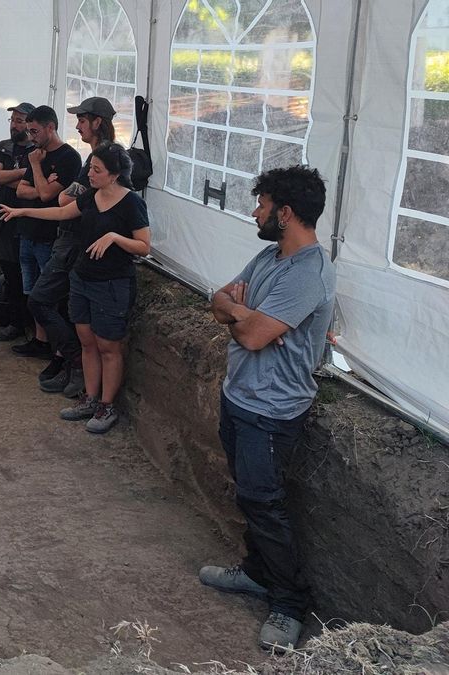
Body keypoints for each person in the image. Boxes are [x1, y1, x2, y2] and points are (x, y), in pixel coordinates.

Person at [200, 165, 335, 651]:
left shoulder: (307, 273)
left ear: (286, 212)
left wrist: (241, 316)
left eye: (261, 205)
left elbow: (254, 336)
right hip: (239, 396)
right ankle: (257, 572)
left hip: (272, 410)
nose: (255, 212)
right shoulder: (267, 256)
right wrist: (240, 311)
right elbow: (217, 299)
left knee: (265, 502)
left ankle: (290, 604)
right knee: (250, 495)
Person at [0, 141, 149, 433]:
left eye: (96, 170)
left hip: (112, 284)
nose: (89, 174)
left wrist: (114, 238)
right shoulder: (91, 196)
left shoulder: (132, 203)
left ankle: (107, 405)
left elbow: (144, 246)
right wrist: (22, 212)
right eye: (91, 167)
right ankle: (90, 399)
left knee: (108, 347)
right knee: (87, 342)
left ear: (114, 175)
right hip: (82, 278)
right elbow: (61, 213)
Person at [29, 96, 117, 396]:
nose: (78, 126)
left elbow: (63, 199)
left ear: (97, 122)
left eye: (82, 120)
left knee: (40, 300)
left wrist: (61, 193)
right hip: (72, 240)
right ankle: (71, 364)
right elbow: (60, 197)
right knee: (64, 307)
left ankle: (75, 362)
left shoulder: (103, 158)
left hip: (76, 242)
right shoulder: (94, 159)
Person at [9, 105, 81, 359]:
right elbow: (22, 190)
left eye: (35, 131)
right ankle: (40, 340)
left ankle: (58, 347)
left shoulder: (68, 157)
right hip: (27, 231)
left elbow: (49, 195)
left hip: (49, 235)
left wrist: (37, 170)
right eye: (29, 131)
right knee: (32, 290)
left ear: (50, 127)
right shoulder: (36, 155)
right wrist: (41, 187)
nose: (31, 136)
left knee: (48, 293)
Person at [0, 102, 37, 341]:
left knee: (29, 275)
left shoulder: (38, 150)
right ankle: (16, 323)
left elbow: (36, 186)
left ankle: (31, 325)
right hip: (3, 221)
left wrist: (12, 179)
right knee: (11, 273)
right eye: (12, 120)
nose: (14, 125)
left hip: (28, 221)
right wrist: (23, 173)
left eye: (19, 120)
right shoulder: (3, 147)